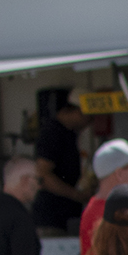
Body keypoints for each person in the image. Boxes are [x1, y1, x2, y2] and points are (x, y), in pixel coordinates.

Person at [33, 93, 90, 232]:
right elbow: (43, 175)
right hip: (52, 217)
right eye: (89, 116)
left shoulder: (70, 133)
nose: (90, 122)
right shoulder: (52, 132)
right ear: (76, 111)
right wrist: (77, 195)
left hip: (69, 214)